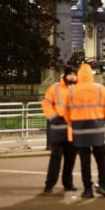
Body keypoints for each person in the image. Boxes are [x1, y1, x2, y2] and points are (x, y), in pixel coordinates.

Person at [70, 62, 105, 198]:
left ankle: (87, 189)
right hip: (97, 129)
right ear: (91, 75)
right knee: (101, 160)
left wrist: (72, 121)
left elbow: (66, 110)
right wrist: (104, 120)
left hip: (79, 131)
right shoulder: (100, 89)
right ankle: (104, 185)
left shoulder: (72, 90)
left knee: (85, 161)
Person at [41, 65, 77, 194]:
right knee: (55, 159)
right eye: (70, 74)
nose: (72, 76)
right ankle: (49, 184)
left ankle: (68, 183)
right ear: (65, 76)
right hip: (58, 129)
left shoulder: (78, 89)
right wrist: (53, 116)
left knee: (70, 160)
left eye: (74, 74)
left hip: (72, 131)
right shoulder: (55, 88)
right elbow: (46, 103)